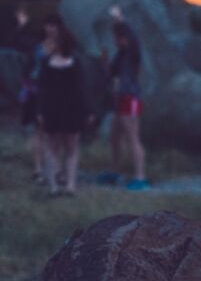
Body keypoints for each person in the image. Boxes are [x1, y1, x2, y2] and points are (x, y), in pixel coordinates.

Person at [36, 15, 95, 197]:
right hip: (52, 109)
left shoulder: (75, 62)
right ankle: (54, 186)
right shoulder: (46, 63)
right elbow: (42, 88)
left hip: (72, 109)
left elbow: (82, 88)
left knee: (72, 147)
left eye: (56, 40)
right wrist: (40, 110)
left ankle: (70, 186)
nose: (52, 43)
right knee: (52, 147)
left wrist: (87, 110)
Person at [99, 14, 149, 190]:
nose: (115, 40)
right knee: (115, 137)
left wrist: (121, 20)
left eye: (117, 37)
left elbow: (134, 39)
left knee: (133, 138)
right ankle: (115, 170)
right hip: (120, 99)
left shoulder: (132, 52)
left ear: (123, 37)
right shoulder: (120, 55)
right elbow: (111, 74)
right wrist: (104, 63)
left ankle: (140, 177)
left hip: (130, 99)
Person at [12, 8, 47, 182]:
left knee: (51, 133)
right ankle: (38, 168)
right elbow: (19, 42)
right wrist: (21, 25)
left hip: (52, 94)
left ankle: (48, 167)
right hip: (37, 93)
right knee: (39, 131)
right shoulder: (36, 48)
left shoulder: (63, 49)